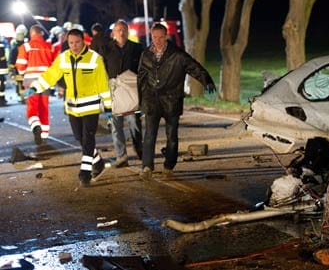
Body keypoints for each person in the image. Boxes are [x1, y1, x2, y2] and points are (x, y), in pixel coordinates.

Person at [24, 29, 112, 187]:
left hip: (91, 107)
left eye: (77, 42)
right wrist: (35, 87)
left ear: (83, 41)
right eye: (71, 43)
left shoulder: (95, 58)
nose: (74, 46)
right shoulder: (63, 58)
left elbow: (103, 84)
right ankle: (98, 162)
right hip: (72, 107)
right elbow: (51, 75)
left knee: (88, 138)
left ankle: (85, 172)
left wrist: (108, 108)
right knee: (80, 138)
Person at [137, 23, 216, 180]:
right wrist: (141, 101)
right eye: (154, 37)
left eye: (161, 37)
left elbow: (194, 67)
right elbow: (141, 78)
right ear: (151, 37)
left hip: (172, 101)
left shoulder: (177, 55)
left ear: (166, 36)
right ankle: (147, 167)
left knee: (172, 136)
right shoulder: (146, 55)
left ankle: (169, 167)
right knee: (149, 135)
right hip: (152, 101)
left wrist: (206, 81)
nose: (158, 40)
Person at [99, 20, 144, 168]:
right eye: (118, 30)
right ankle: (121, 156)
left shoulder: (137, 48)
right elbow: (101, 70)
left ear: (128, 31)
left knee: (134, 123)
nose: (121, 32)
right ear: (113, 33)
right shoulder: (105, 49)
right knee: (115, 125)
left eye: (124, 29)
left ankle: (140, 151)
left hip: (131, 91)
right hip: (114, 91)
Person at [15, 25, 57, 144]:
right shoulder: (49, 47)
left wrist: (24, 74)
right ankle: (44, 135)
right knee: (44, 107)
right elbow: (54, 64)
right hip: (45, 80)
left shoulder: (26, 46)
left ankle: (35, 126)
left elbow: (20, 65)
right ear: (41, 34)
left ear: (31, 33)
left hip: (31, 80)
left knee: (32, 106)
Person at [9, 24, 28, 103]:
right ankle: (25, 97)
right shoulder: (26, 45)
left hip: (18, 68)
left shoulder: (15, 47)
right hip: (25, 68)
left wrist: (11, 69)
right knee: (24, 83)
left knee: (20, 84)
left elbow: (12, 59)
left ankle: (23, 97)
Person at [0, 36, 8, 106]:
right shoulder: (2, 45)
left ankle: (2, 99)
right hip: (2, 68)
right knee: (2, 83)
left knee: (2, 83)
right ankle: (2, 99)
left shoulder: (1, 45)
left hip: (1, 69)